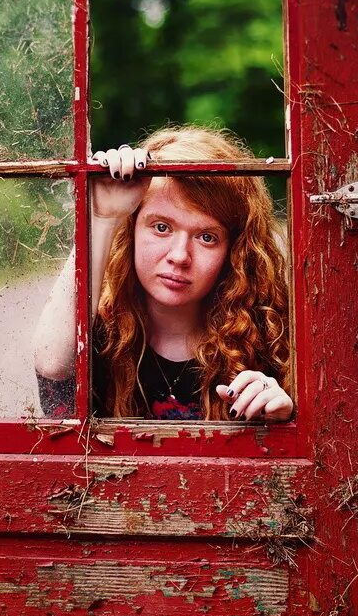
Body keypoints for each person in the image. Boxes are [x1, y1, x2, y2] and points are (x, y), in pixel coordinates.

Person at [30, 125, 294, 422]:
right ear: (131, 229)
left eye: (207, 237)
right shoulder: (101, 331)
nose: (179, 256)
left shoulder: (268, 338)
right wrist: (102, 219)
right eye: (161, 227)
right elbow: (53, 366)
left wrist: (281, 416)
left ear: (233, 251)